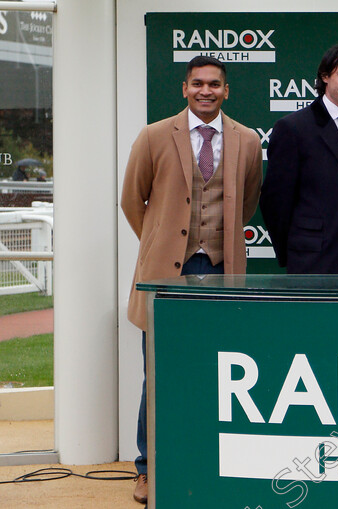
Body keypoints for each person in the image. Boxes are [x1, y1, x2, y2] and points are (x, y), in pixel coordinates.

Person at [120, 55, 262, 504]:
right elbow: (131, 200)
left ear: (226, 90)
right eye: (197, 83)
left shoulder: (247, 140)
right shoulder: (154, 135)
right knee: (157, 374)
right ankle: (147, 468)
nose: (206, 91)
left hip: (222, 272)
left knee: (219, 372)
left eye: (214, 84)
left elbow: (249, 200)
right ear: (184, 88)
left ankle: (207, 459)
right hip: (166, 276)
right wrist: (160, 245)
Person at [261, 43, 338, 274]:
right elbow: (275, 202)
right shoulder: (293, 128)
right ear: (325, 76)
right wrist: (295, 250)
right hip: (311, 261)